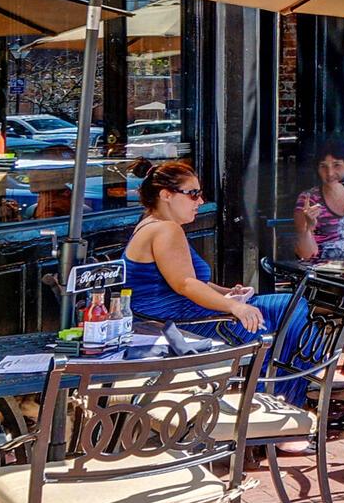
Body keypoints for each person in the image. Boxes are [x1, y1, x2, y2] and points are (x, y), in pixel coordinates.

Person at [122, 160, 314, 433]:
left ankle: (286, 394)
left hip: (171, 316)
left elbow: (188, 280)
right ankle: (283, 406)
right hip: (177, 324)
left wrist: (227, 293)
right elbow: (185, 284)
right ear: (166, 195)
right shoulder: (166, 229)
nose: (200, 200)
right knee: (286, 311)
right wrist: (233, 306)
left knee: (285, 308)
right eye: (193, 194)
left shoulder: (152, 224)